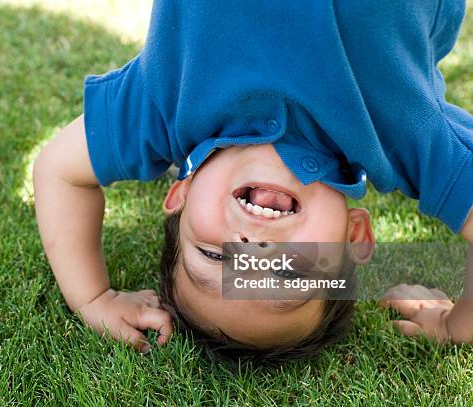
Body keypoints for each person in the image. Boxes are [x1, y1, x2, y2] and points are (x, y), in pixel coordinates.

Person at [33, 0, 473, 362]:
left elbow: (58, 171)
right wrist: (457, 326)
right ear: (353, 237)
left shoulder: (166, 103)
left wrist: (93, 298)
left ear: (180, 195)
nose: (252, 248)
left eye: (213, 255)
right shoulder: (399, 132)